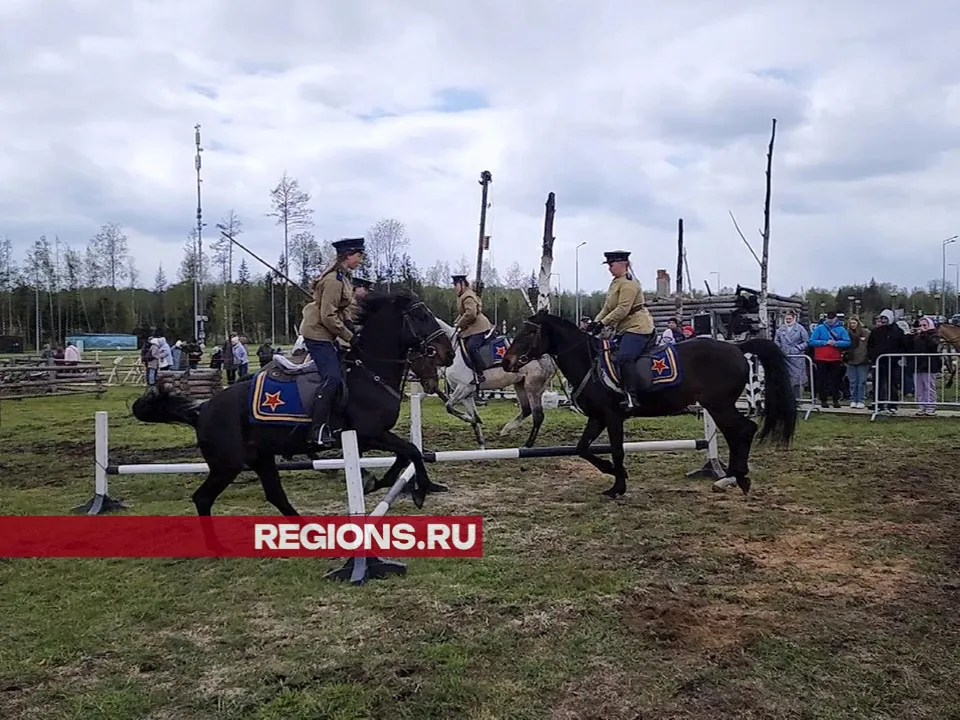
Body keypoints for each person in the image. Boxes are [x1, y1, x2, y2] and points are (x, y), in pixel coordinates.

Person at [300, 237, 365, 447]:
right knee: (332, 378)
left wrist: (352, 326)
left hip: (327, 333)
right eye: (359, 255)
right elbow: (328, 316)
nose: (360, 260)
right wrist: (349, 336)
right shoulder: (333, 281)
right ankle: (317, 429)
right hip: (317, 334)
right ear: (348, 255)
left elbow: (341, 309)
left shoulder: (343, 278)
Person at [584, 250, 655, 410]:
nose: (609, 268)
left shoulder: (629, 283)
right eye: (609, 265)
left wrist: (603, 323)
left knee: (625, 357)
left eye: (612, 264)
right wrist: (595, 323)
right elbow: (608, 307)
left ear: (624, 264)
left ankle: (631, 396)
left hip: (638, 327)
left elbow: (623, 309)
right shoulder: (616, 283)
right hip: (623, 328)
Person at [452, 274, 493, 386]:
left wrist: (459, 325)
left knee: (471, 347)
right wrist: (456, 323)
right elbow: (463, 313)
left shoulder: (468, 296)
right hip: (471, 327)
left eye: (456, 284)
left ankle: (480, 374)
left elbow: (471, 314)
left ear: (462, 284)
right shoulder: (463, 296)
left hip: (479, 327)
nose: (455, 287)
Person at [808, 311, 851, 408]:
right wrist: (824, 342)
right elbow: (811, 341)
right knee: (822, 380)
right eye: (829, 318)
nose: (830, 320)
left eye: (832, 319)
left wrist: (836, 343)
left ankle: (836, 400)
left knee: (836, 379)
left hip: (835, 358)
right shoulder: (819, 328)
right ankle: (823, 399)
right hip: (821, 358)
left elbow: (847, 342)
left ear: (836, 318)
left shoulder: (841, 329)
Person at [774, 309, 810, 402]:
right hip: (785, 356)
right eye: (786, 318)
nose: (788, 320)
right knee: (786, 379)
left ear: (794, 318)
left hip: (797, 357)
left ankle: (797, 400)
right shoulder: (781, 329)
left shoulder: (800, 328)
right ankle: (786, 400)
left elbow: (806, 341)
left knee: (797, 380)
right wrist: (779, 348)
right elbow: (776, 340)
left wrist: (797, 348)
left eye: (790, 318)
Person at [843, 315, 870, 409]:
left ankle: (861, 399)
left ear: (858, 323)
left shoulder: (866, 333)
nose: (852, 325)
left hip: (863, 360)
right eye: (850, 323)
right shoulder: (846, 333)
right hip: (851, 360)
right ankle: (853, 399)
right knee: (853, 381)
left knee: (861, 381)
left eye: (854, 323)